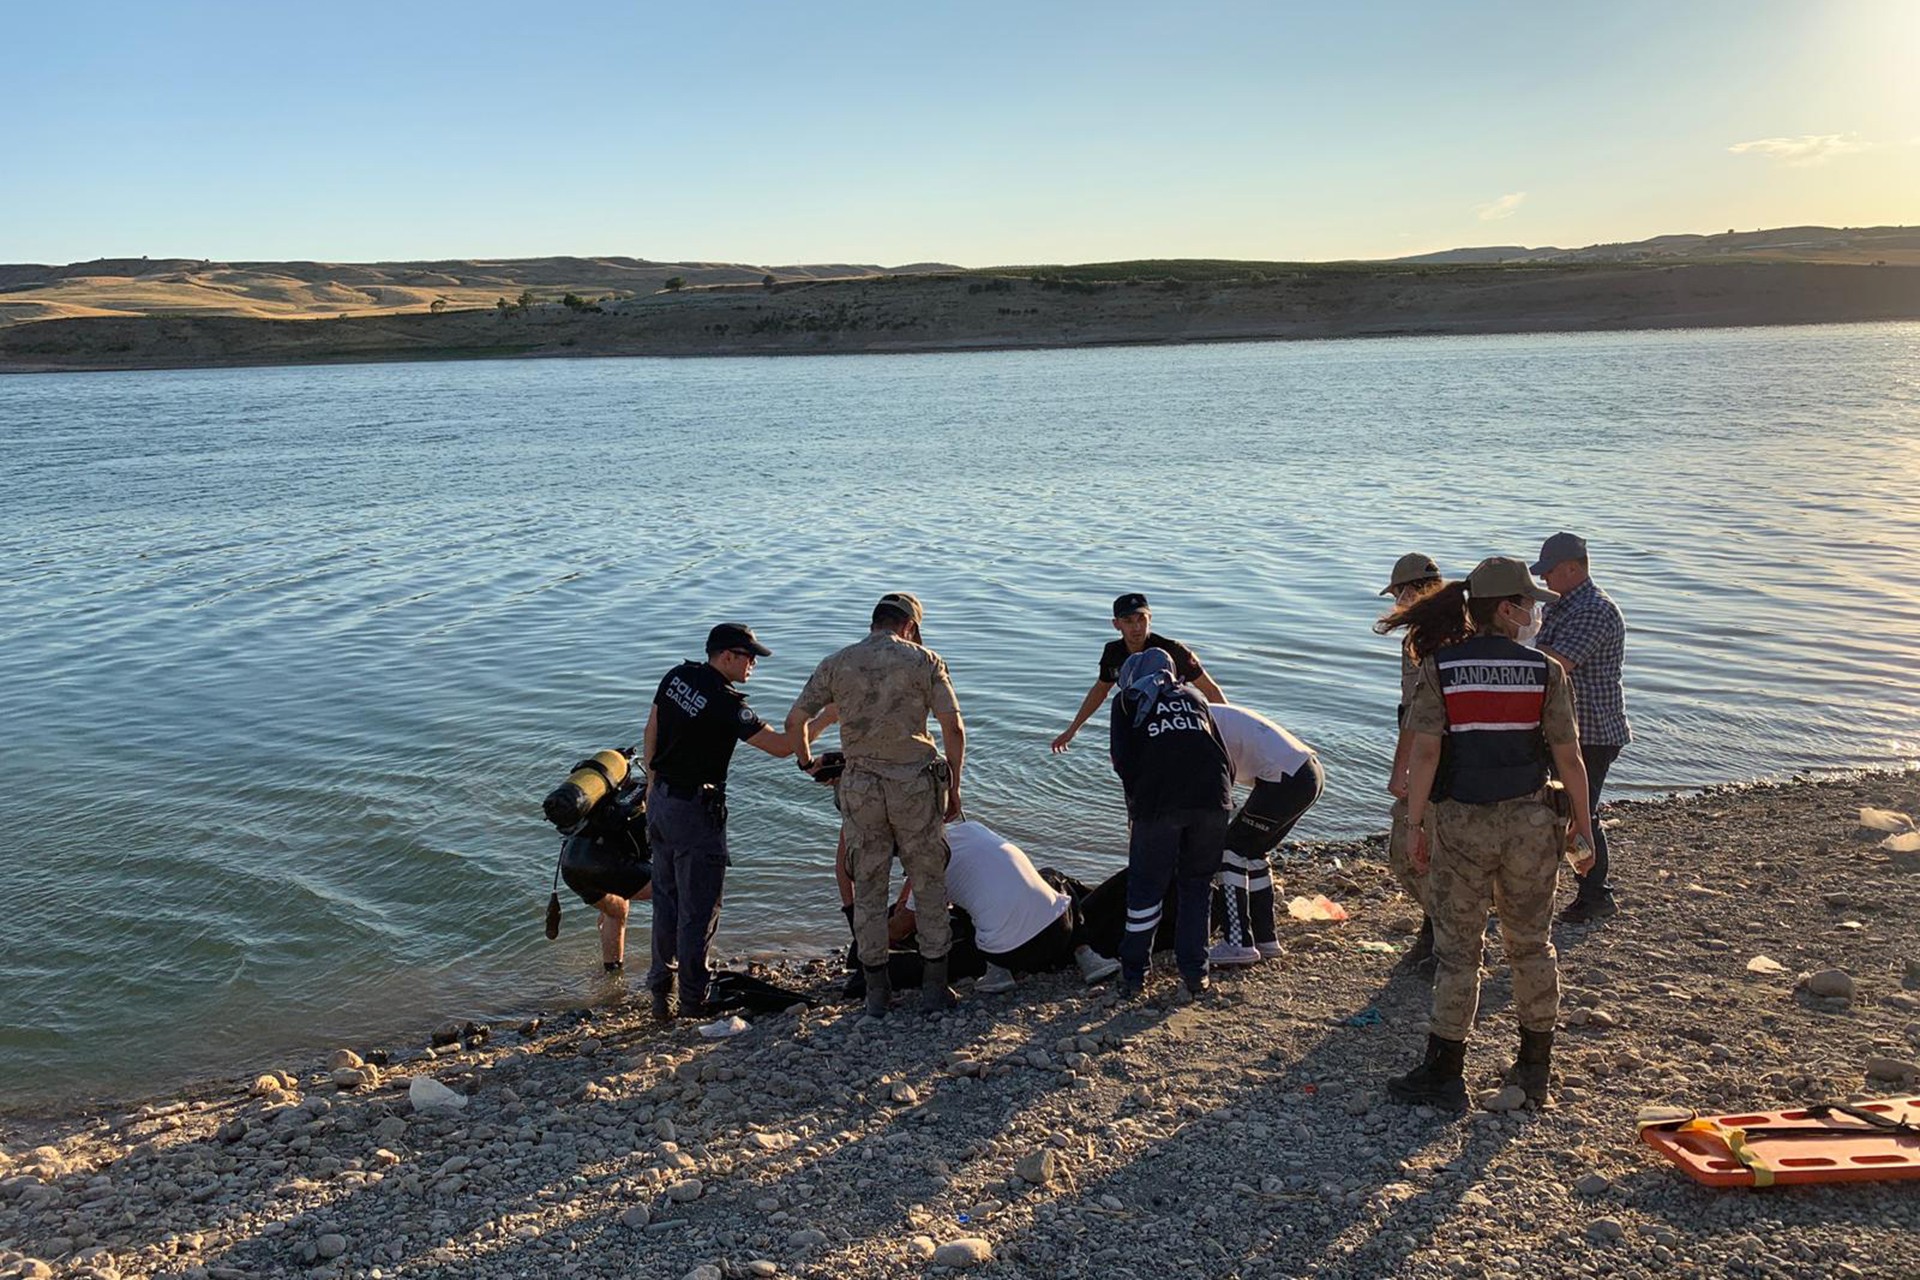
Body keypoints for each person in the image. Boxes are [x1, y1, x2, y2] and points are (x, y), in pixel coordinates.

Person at [1377, 557, 1597, 1110]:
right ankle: (1533, 1069)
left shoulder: (1441, 668)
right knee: (1531, 945)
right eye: (1527, 604)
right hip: (1529, 823)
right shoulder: (1546, 671)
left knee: (1459, 951)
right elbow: (1569, 759)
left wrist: (1415, 823)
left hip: (1461, 825)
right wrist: (1584, 830)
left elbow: (1425, 752)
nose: (1532, 613)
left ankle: (1446, 1073)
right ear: (1506, 608)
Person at [787, 592, 967, 1017]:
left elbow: (796, 721)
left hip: (861, 786)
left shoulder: (838, 662)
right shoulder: (925, 661)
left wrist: (806, 761)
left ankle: (877, 995)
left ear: (874, 622)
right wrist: (955, 787)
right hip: (915, 787)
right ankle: (934, 989)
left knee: (868, 885)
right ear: (908, 626)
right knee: (928, 882)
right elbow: (953, 727)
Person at [641, 622, 798, 1021]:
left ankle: (662, 992)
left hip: (660, 801)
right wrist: (824, 715)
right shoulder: (728, 705)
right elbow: (781, 747)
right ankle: (694, 999)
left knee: (666, 900)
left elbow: (652, 729)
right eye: (749, 658)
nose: (754, 666)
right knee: (699, 908)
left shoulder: (677, 676)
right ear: (727, 656)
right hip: (696, 813)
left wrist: (651, 787)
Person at [1108, 647, 1232, 1000]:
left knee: (1146, 889)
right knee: (1196, 884)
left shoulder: (1127, 701)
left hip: (1161, 802)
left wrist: (1136, 809)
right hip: (1213, 799)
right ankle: (1195, 973)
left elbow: (1122, 760)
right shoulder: (1193, 696)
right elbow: (1218, 750)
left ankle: (1134, 974)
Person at [888, 819, 1122, 992]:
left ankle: (997, 973)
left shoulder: (927, 872)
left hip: (1008, 955)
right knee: (1050, 876)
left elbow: (902, 928)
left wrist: (883, 927)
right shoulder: (972, 829)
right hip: (1059, 933)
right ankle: (1086, 954)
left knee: (965, 907)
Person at [1532, 531, 1631, 924]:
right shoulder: (1562, 605)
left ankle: (1597, 894)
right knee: (1563, 808)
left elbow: (1556, 663)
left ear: (1572, 569)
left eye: (1549, 572)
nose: (1544, 580)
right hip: (1568, 726)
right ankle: (1574, 889)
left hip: (1592, 729)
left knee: (1580, 810)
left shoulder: (1594, 609)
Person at [1205, 701, 1324, 966]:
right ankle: (1265, 939)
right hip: (1308, 771)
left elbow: (1216, 786)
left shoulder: (1195, 724)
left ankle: (1237, 944)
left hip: (1286, 778)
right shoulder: (1201, 711)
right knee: (1253, 852)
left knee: (1229, 850)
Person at [1374, 552, 1448, 972]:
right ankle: (1434, 931)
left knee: (1409, 850)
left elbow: (1414, 712)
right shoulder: (1464, 628)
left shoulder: (1419, 640)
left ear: (1410, 591)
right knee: (1440, 851)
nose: (1396, 604)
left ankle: (1447, 935)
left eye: (1398, 595)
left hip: (1432, 757)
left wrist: (1399, 771)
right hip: (1465, 757)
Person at [1052, 592, 1225, 753]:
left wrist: (1229, 735)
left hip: (1175, 720)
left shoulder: (1173, 650)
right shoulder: (1113, 652)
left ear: (1150, 619)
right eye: (1128, 621)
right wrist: (1072, 730)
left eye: (1141, 619)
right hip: (1139, 720)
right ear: (1116, 624)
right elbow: (1100, 691)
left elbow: (1210, 690)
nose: (1136, 627)